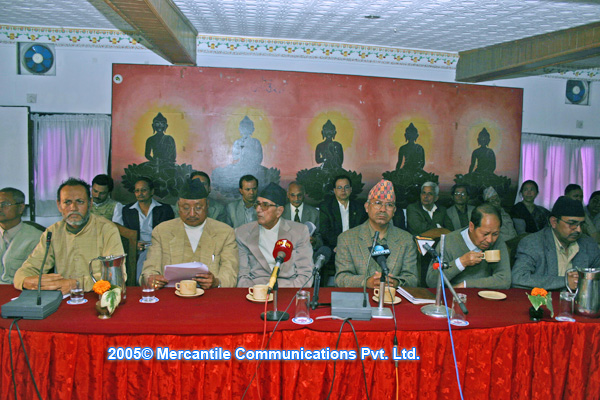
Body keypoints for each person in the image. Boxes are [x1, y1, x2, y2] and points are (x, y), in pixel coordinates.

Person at [14, 178, 124, 293]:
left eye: (80, 202)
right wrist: (26, 281)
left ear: (90, 204)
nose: (73, 208)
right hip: (64, 297)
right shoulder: (53, 232)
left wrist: (76, 284)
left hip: (97, 296)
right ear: (59, 205)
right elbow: (27, 269)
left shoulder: (107, 229)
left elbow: (116, 275)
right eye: (67, 202)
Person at [140, 179, 238, 290]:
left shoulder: (224, 232)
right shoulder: (162, 231)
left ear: (207, 205)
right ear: (178, 206)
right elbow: (149, 270)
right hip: (171, 296)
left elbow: (230, 274)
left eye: (198, 208)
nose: (192, 214)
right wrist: (151, 278)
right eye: (186, 208)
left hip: (211, 296)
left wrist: (216, 282)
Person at [335, 180, 418, 288]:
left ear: (394, 211)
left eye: (389, 205)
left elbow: (412, 278)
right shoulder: (347, 239)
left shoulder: (406, 239)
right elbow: (341, 278)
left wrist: (397, 282)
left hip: (393, 297)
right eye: (378, 203)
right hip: (360, 298)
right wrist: (366, 282)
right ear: (367, 207)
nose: (383, 209)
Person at [512, 196, 600, 291]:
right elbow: (518, 278)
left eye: (581, 224)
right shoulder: (533, 243)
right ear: (554, 222)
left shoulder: (589, 244)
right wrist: (565, 281)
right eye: (572, 223)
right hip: (544, 299)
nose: (578, 230)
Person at [236, 183, 313, 287]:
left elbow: (305, 274)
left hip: (288, 289)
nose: (258, 209)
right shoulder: (243, 233)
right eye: (257, 204)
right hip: (255, 289)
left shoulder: (299, 232)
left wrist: (288, 294)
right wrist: (256, 293)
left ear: (279, 211)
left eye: (265, 205)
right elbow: (242, 275)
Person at [426, 203, 511, 289]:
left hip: (485, 295)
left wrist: (466, 285)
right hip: (455, 295)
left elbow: (504, 280)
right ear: (471, 227)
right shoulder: (448, 242)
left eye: (495, 234)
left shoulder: (497, 242)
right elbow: (432, 282)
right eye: (485, 234)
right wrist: (461, 262)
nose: (490, 240)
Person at [113, 177, 174, 279]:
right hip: (137, 250)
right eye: (137, 191)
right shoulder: (127, 210)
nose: (140, 193)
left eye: (143, 190)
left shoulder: (165, 209)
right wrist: (134, 244)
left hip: (159, 249)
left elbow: (170, 233)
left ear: (152, 191)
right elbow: (123, 234)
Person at [0, 188, 43, 284]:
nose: (0, 208)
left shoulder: (37, 237)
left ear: (20, 208)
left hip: (19, 289)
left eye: (5, 204)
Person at [319, 174, 367, 252]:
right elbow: (325, 231)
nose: (343, 190)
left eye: (346, 187)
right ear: (334, 190)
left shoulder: (359, 207)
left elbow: (362, 230)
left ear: (351, 189)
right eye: (339, 187)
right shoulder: (326, 207)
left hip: (355, 246)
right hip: (334, 247)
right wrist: (341, 245)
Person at [282, 181, 322, 249]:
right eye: (293, 195)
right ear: (288, 195)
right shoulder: (280, 212)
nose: (296, 199)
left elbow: (321, 238)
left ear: (304, 194)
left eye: (299, 195)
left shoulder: (314, 213)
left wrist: (314, 240)